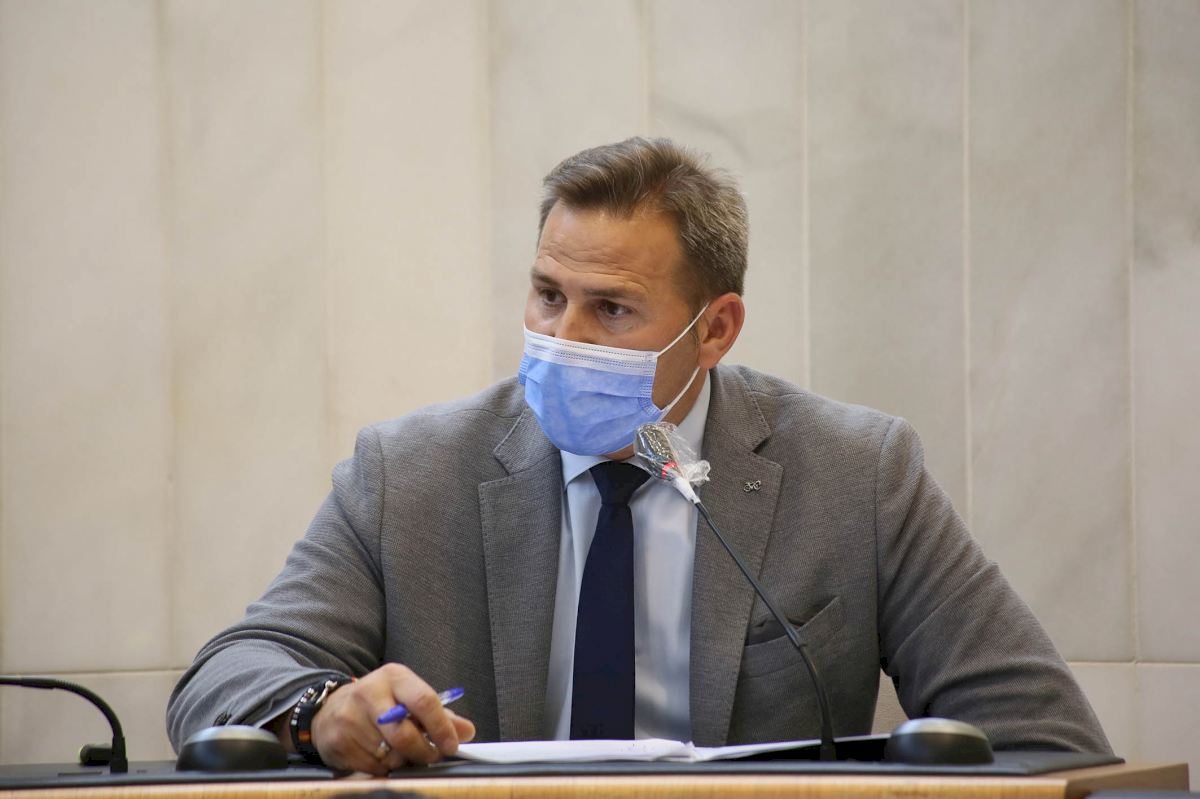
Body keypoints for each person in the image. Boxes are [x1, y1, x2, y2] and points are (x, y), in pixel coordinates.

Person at [167, 137, 1110, 774]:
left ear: (716, 329)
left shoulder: (856, 473)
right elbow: (226, 675)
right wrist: (321, 710)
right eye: (547, 295)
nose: (561, 338)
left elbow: (1045, 733)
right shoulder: (411, 472)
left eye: (611, 309)